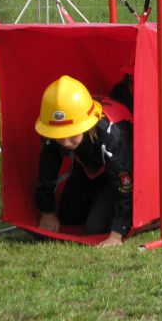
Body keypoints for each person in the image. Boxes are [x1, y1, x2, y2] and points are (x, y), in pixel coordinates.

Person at [34, 75, 134, 247]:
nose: (65, 142)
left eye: (72, 134)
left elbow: (126, 186)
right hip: (91, 168)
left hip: (120, 171)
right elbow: (46, 170)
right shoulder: (52, 135)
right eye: (60, 136)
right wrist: (47, 211)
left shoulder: (113, 137)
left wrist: (117, 233)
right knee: (67, 215)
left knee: (95, 228)